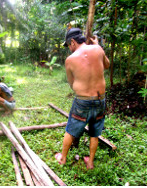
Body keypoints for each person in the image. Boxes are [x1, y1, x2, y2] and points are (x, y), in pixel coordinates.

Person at [54, 27, 110, 170]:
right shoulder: (98, 49)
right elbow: (107, 65)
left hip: (82, 101)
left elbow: (71, 83)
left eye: (68, 45)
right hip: (100, 99)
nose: (69, 49)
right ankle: (90, 162)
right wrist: (97, 46)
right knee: (95, 132)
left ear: (72, 42)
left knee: (71, 129)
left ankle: (63, 158)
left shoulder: (70, 60)